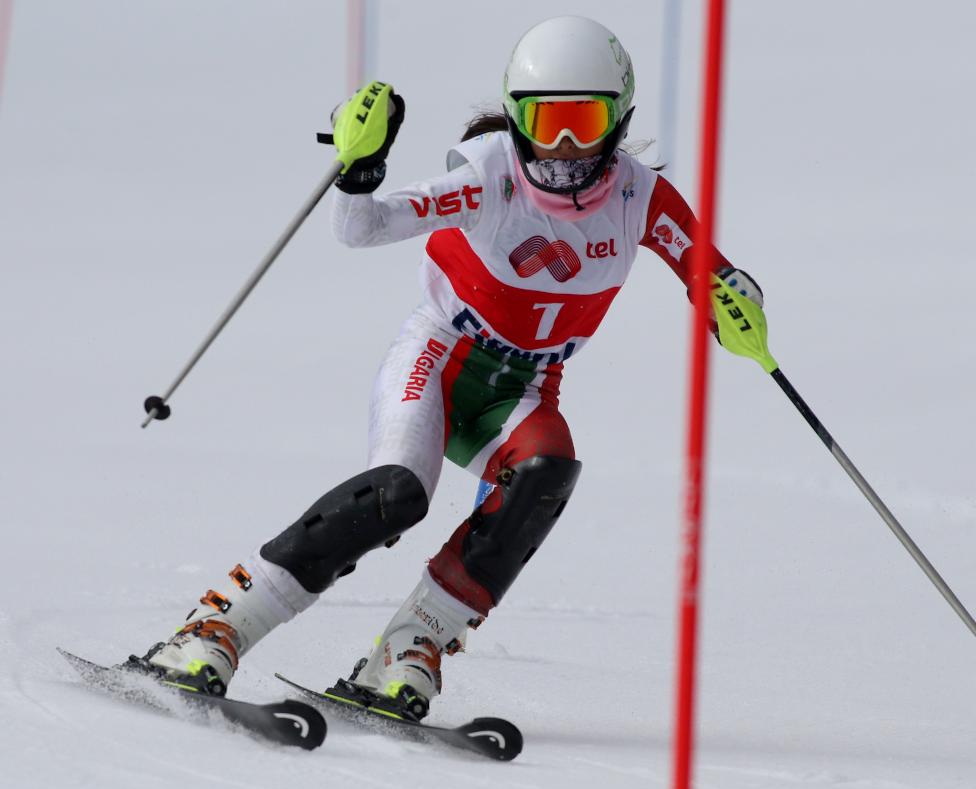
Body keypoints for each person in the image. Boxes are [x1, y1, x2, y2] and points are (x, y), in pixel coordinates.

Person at [128, 15, 763, 719]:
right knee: (397, 493)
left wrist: (733, 303)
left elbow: (713, 272)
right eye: (545, 122)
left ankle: (412, 645)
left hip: (522, 389)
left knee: (547, 470)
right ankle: (216, 627)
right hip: (438, 359)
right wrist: (361, 169)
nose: (563, 147)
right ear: (515, 117)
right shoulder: (490, 178)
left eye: (583, 122)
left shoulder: (638, 199)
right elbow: (361, 227)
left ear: (619, 120)